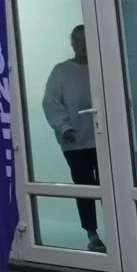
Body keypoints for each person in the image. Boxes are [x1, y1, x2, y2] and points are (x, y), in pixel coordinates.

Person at [43, 24, 105, 253]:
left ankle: (121, 232)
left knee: (109, 187)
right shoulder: (61, 71)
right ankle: (92, 234)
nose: (83, 44)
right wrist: (64, 128)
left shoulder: (104, 68)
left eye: (87, 39)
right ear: (72, 43)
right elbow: (51, 102)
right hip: (75, 142)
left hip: (105, 141)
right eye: (78, 39)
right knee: (85, 187)